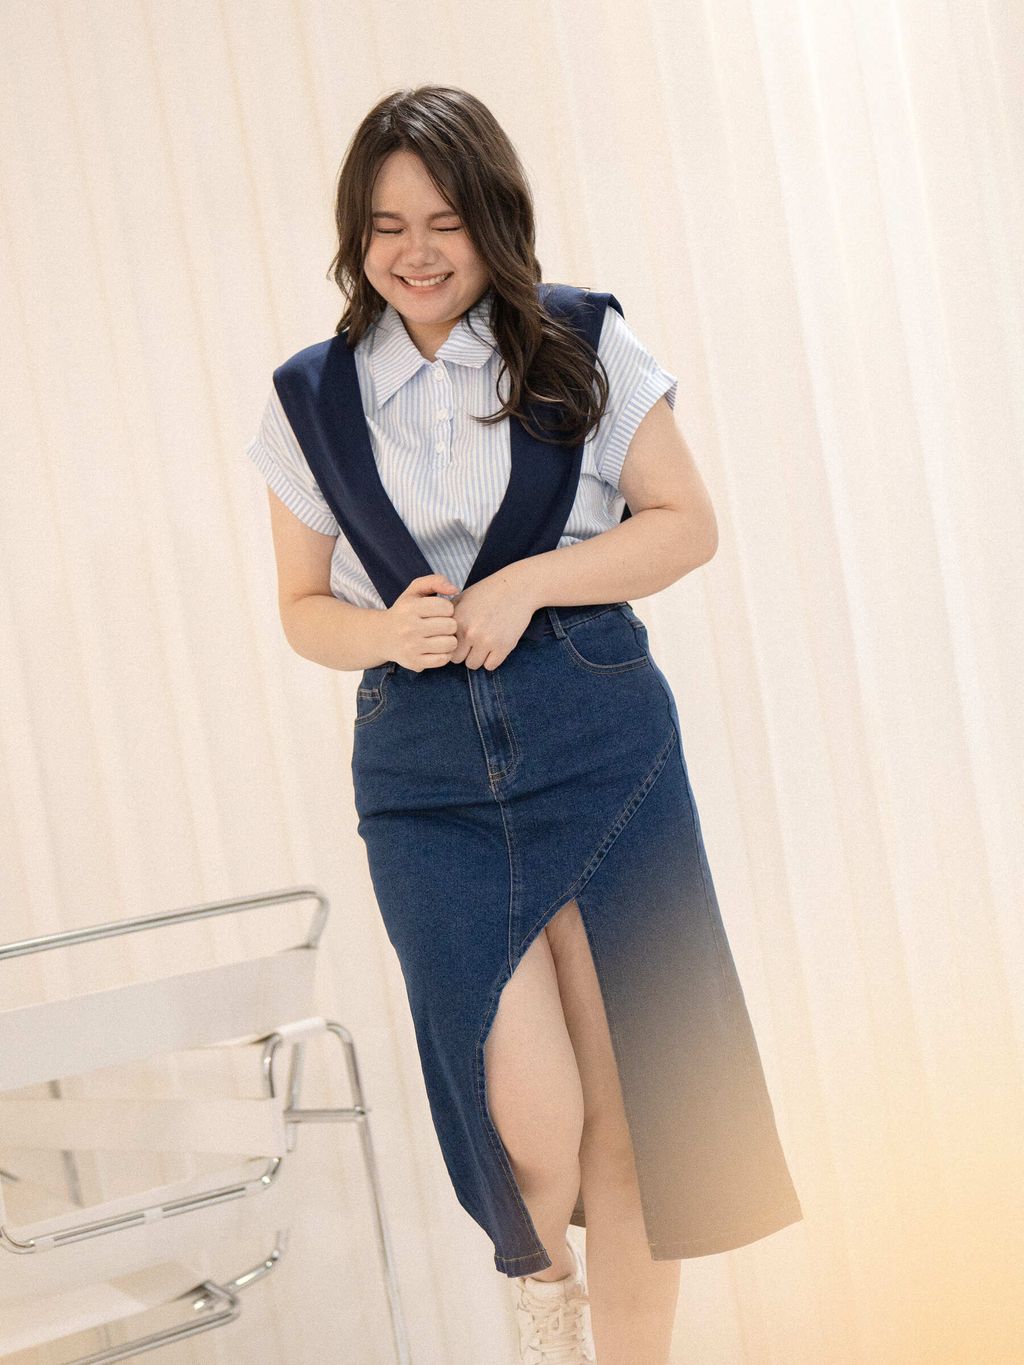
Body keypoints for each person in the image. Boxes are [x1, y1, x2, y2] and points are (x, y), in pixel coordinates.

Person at [246, 84, 802, 1365]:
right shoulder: (310, 397)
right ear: (355, 238)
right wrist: (386, 630)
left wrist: (532, 580)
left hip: (599, 742)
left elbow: (685, 524)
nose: (416, 252)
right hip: (423, 775)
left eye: (445, 219)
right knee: (530, 1129)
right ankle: (548, 1337)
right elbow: (296, 607)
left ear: (495, 220)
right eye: (385, 225)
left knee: (638, 1113)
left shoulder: (580, 342)